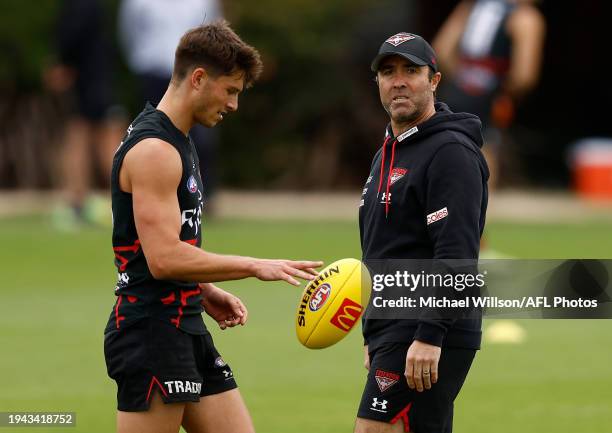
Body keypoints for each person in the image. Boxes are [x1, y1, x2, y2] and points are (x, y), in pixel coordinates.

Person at [103, 21, 322, 433]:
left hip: (185, 323)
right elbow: (164, 258)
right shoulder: (154, 150)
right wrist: (255, 266)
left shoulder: (179, 141)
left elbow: (153, 246)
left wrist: (202, 290)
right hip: (151, 330)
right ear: (199, 78)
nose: (234, 105)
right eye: (232, 90)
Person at [355, 33, 489, 433]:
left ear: (434, 80)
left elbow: (456, 254)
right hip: (395, 326)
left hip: (429, 327)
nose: (398, 81)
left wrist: (430, 335)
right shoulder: (387, 152)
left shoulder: (450, 152)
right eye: (388, 72)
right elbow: (382, 249)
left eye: (411, 71)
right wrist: (372, 329)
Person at [432, 0, 545, 188]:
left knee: (441, 148)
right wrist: (507, 94)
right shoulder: (526, 17)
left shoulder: (470, 7)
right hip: (490, 95)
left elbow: (441, 50)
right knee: (484, 152)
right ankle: (481, 210)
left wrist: (463, 79)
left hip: (456, 91)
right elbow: (524, 75)